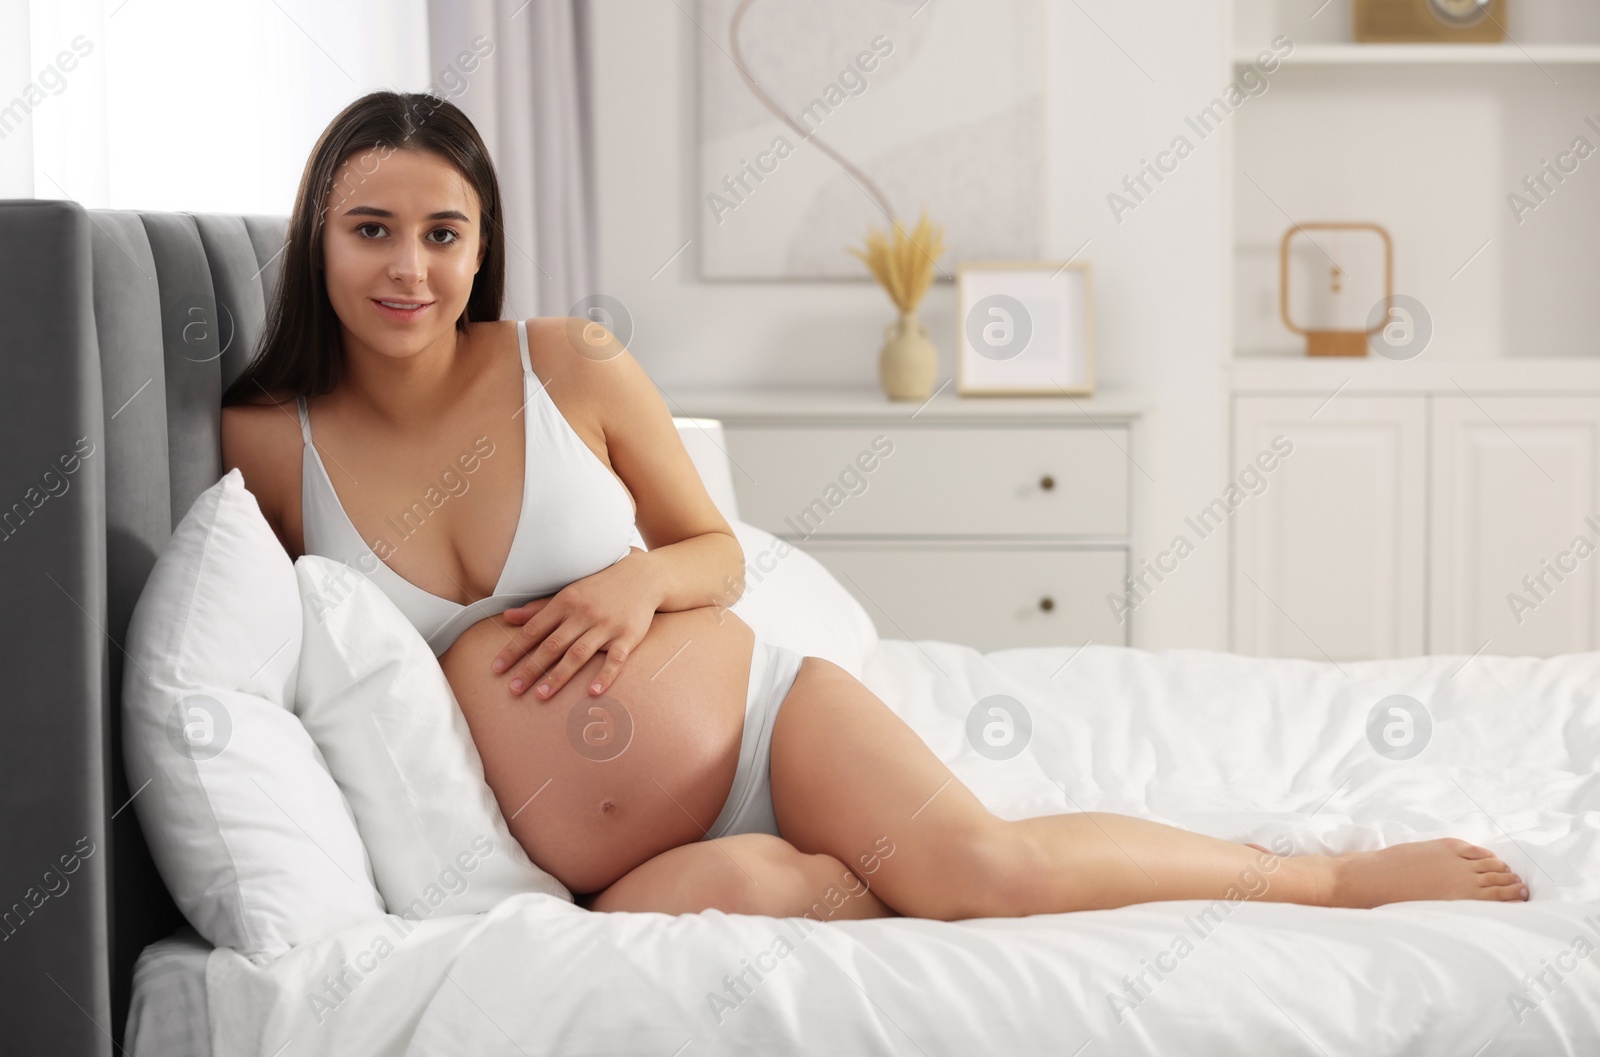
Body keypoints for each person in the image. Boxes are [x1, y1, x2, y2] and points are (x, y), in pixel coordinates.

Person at [221, 90, 1528, 922]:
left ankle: (1326, 876)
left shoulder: (568, 362)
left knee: (990, 873)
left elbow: (717, 553)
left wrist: (636, 580)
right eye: (372, 229)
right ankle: (856, 882)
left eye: (442, 233)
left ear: (482, 242)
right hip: (607, 872)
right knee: (731, 898)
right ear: (316, 238)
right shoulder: (272, 448)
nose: (409, 267)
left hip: (765, 724)